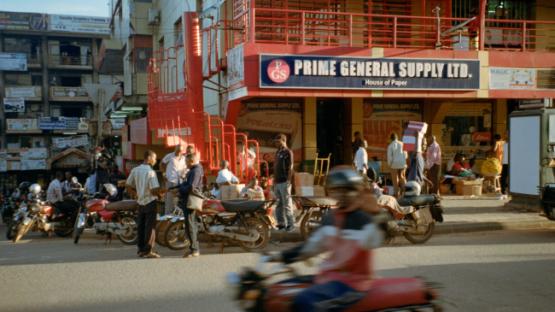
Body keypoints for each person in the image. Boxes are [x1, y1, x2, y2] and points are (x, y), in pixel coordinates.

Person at [265, 166, 383, 311]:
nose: (341, 194)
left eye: (346, 190)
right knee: (278, 289)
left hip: (352, 284)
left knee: (303, 301)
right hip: (328, 277)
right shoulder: (332, 217)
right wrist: (280, 256)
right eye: (336, 190)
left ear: (356, 191)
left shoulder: (364, 219)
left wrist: (377, 216)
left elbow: (376, 238)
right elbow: (312, 247)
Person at [126, 150, 162, 259]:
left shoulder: (135, 170)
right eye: (154, 158)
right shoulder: (151, 172)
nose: (155, 160)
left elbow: (128, 185)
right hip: (150, 201)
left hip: (140, 202)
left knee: (141, 226)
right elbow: (154, 189)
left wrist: (136, 195)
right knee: (150, 227)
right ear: (149, 158)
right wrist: (160, 195)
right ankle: (148, 251)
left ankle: (141, 249)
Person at [179, 153, 204, 258]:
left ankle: (194, 249)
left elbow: (191, 187)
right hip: (189, 200)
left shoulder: (196, 171)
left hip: (190, 201)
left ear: (191, 161)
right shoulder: (196, 169)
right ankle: (193, 248)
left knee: (190, 224)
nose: (185, 164)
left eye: (186, 162)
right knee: (191, 224)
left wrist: (180, 189)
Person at [273, 133, 295, 232]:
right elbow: (275, 167)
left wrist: (289, 181)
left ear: (283, 141)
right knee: (278, 204)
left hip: (284, 182)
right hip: (277, 182)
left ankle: (291, 224)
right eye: (276, 142)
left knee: (287, 204)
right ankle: (281, 224)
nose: (276, 143)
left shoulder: (288, 152)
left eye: (278, 141)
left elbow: (290, 168)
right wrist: (274, 181)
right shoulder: (278, 152)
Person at [160, 145, 187, 214]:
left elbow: (185, 169)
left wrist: (184, 175)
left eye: (179, 151)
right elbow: (161, 164)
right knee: (169, 201)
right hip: (170, 180)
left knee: (178, 201)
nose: (178, 153)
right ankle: (167, 217)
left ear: (182, 152)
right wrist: (164, 174)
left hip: (180, 182)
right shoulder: (169, 156)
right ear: (175, 149)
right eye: (177, 151)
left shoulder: (184, 158)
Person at [387, 133, 407, 197]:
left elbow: (389, 157)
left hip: (394, 164)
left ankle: (397, 195)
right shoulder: (403, 144)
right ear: (397, 138)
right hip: (402, 164)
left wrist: (389, 165)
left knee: (395, 180)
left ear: (391, 139)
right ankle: (405, 192)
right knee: (402, 177)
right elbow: (406, 155)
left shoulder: (390, 146)